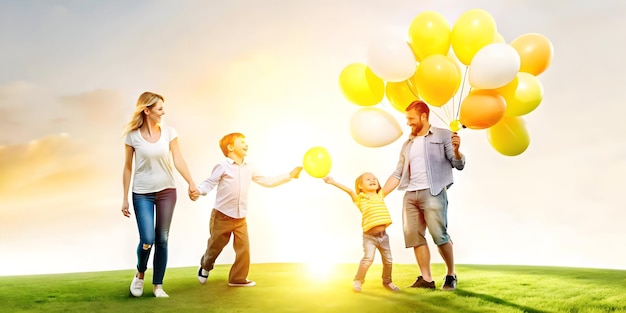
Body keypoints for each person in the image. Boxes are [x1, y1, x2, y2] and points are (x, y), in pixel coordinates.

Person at [195, 132, 302, 287]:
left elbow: (267, 181)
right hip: (221, 216)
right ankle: (205, 266)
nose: (246, 144)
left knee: (244, 249)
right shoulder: (222, 166)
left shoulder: (249, 167)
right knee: (215, 247)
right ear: (230, 147)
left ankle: (237, 278)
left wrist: (289, 175)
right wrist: (198, 191)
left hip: (240, 218)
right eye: (242, 142)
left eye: (246, 142)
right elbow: (209, 183)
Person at [121, 91, 199, 298]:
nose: (164, 112)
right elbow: (127, 168)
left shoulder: (169, 133)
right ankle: (140, 274)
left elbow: (179, 160)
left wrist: (191, 182)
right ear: (147, 111)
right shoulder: (132, 137)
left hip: (167, 191)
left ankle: (158, 286)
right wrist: (124, 198)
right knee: (147, 238)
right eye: (159, 108)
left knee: (162, 239)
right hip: (142, 194)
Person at [382, 100, 465, 291]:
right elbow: (398, 173)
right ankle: (426, 280)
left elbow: (458, 165)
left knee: (439, 235)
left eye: (411, 119)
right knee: (415, 237)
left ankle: (451, 274)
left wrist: (457, 151)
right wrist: (380, 195)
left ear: (423, 116)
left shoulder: (444, 135)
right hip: (410, 195)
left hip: (433, 192)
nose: (408, 123)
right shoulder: (407, 145)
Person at [323, 173, 400, 293]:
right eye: (368, 179)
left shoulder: (380, 195)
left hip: (384, 236)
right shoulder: (360, 199)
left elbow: (393, 183)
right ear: (360, 186)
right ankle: (358, 280)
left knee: (388, 260)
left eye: (375, 178)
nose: (373, 180)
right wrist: (333, 182)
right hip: (369, 237)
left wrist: (403, 173)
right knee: (368, 259)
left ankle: (387, 282)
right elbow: (349, 191)